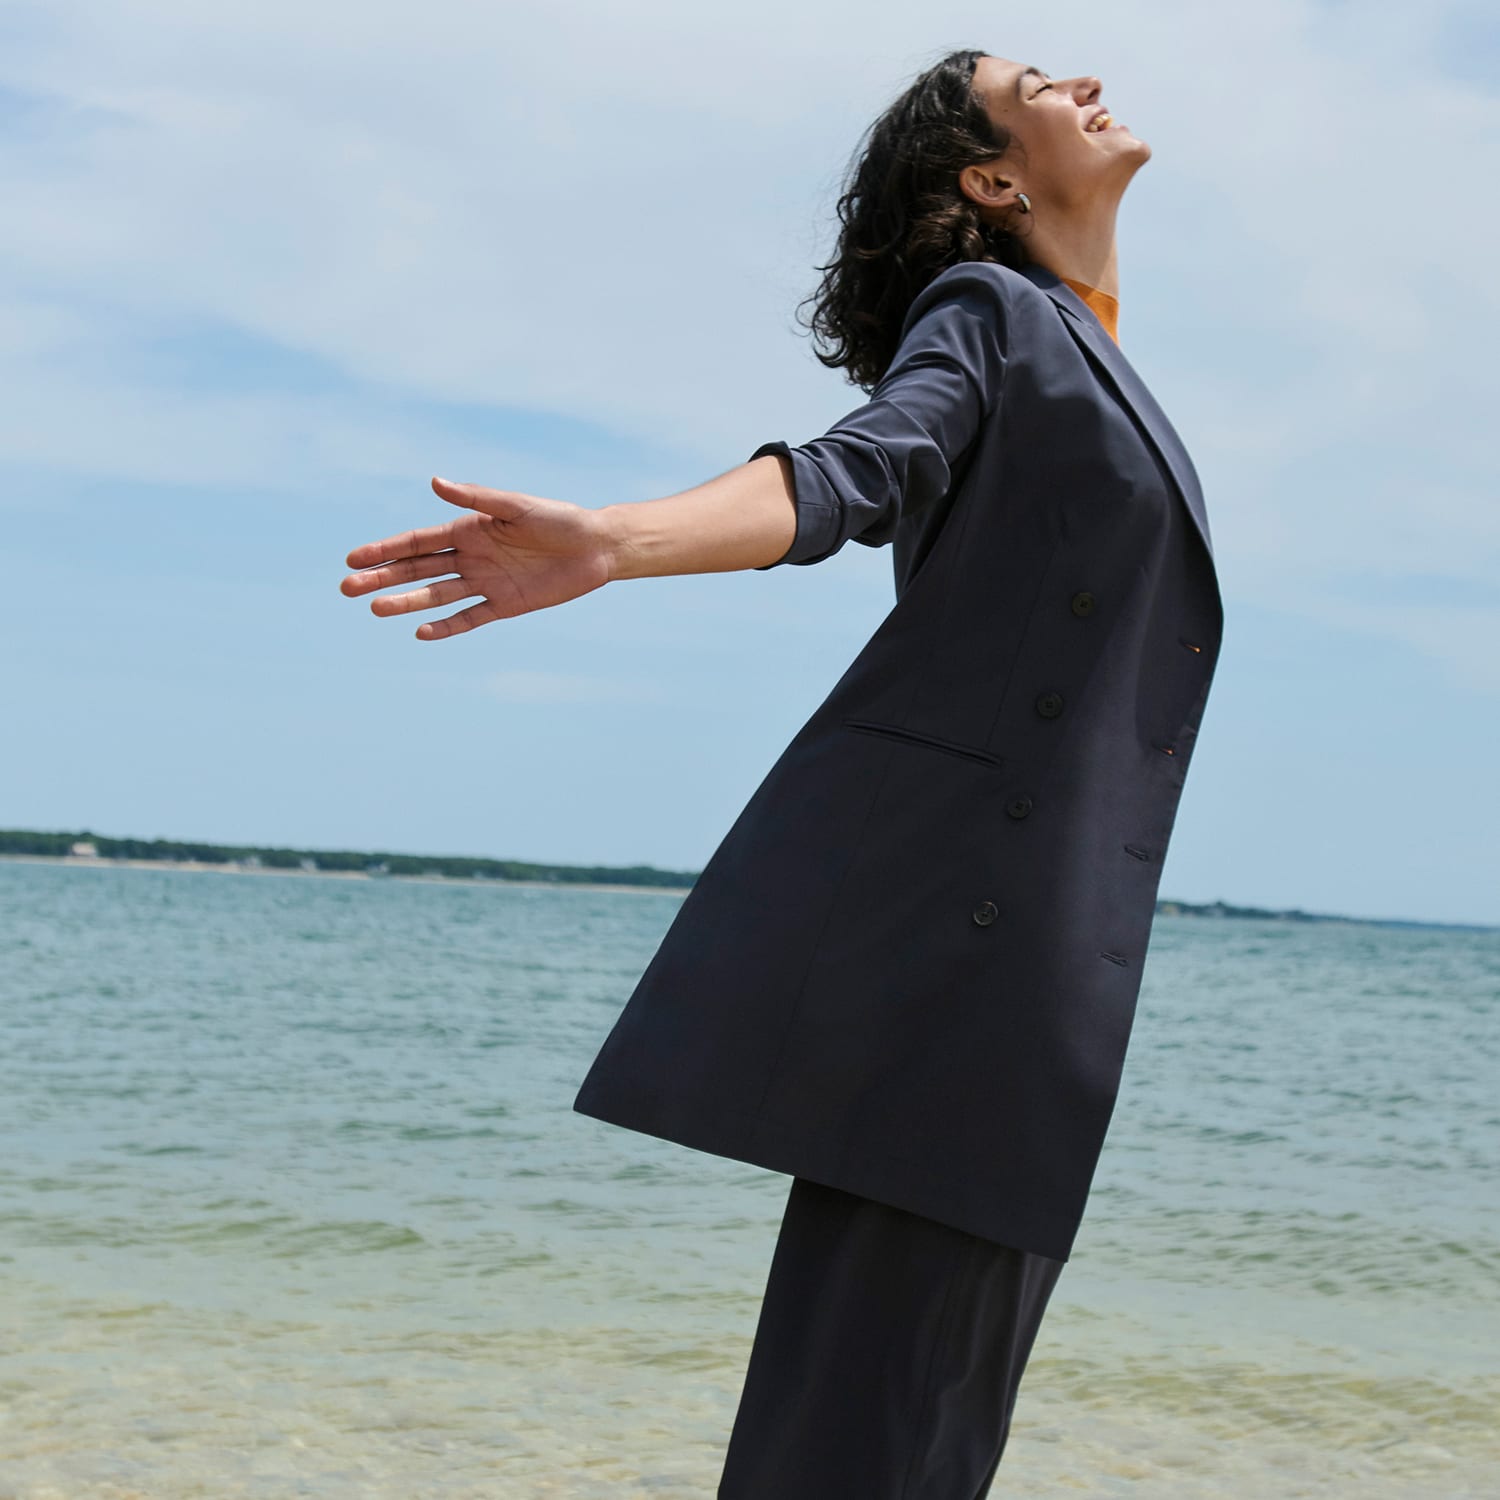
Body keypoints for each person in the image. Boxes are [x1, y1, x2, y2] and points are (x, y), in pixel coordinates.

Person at [340, 47, 1224, 1500]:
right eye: (1032, 82)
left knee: (921, 1425)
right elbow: (856, 469)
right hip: (968, 944)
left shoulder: (1086, 344)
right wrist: (619, 540)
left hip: (1030, 946)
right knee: (877, 1430)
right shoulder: (993, 310)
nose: (1084, 78)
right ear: (991, 180)